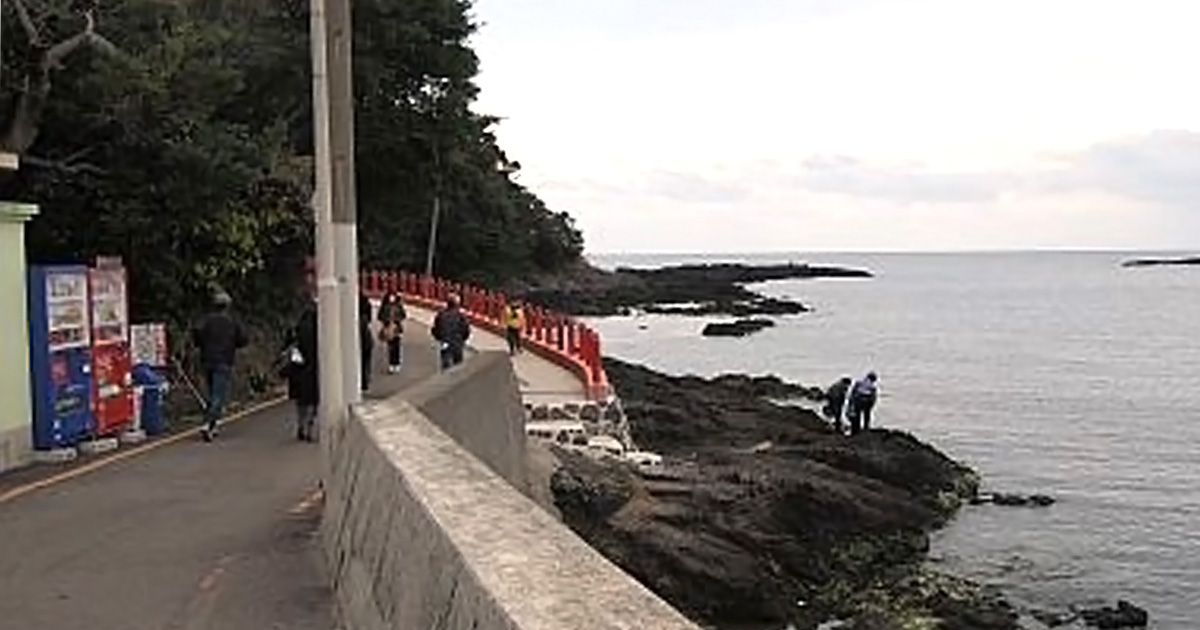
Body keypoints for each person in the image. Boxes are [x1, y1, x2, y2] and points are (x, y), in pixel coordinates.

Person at [191, 291, 248, 442]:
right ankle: (208, 424)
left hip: (207, 360)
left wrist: (201, 344)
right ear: (228, 306)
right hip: (224, 361)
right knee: (218, 395)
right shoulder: (232, 321)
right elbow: (243, 339)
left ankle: (212, 425)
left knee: (210, 393)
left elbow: (196, 333)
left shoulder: (206, 320)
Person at [282, 295, 319, 442]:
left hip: (297, 371)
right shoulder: (319, 331)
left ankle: (301, 425)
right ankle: (309, 428)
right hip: (314, 370)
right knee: (313, 401)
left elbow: (286, 348)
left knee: (300, 402)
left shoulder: (294, 330)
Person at [431, 293, 471, 370]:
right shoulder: (461, 316)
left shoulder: (441, 315)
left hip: (445, 342)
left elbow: (436, 329)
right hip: (457, 343)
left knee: (446, 363)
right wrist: (462, 339)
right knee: (458, 365)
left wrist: (440, 338)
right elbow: (466, 330)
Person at [377, 290, 407, 373]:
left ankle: (397, 363)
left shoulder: (399, 306)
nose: (392, 298)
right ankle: (391, 364)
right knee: (390, 347)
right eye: (390, 296)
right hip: (388, 328)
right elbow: (379, 316)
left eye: (393, 296)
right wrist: (385, 321)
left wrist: (397, 320)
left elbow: (404, 315)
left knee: (397, 346)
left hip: (397, 328)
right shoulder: (384, 306)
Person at [359, 290, 374, 391]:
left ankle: (363, 381)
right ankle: (364, 381)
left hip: (364, 342)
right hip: (366, 342)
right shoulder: (363, 321)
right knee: (365, 362)